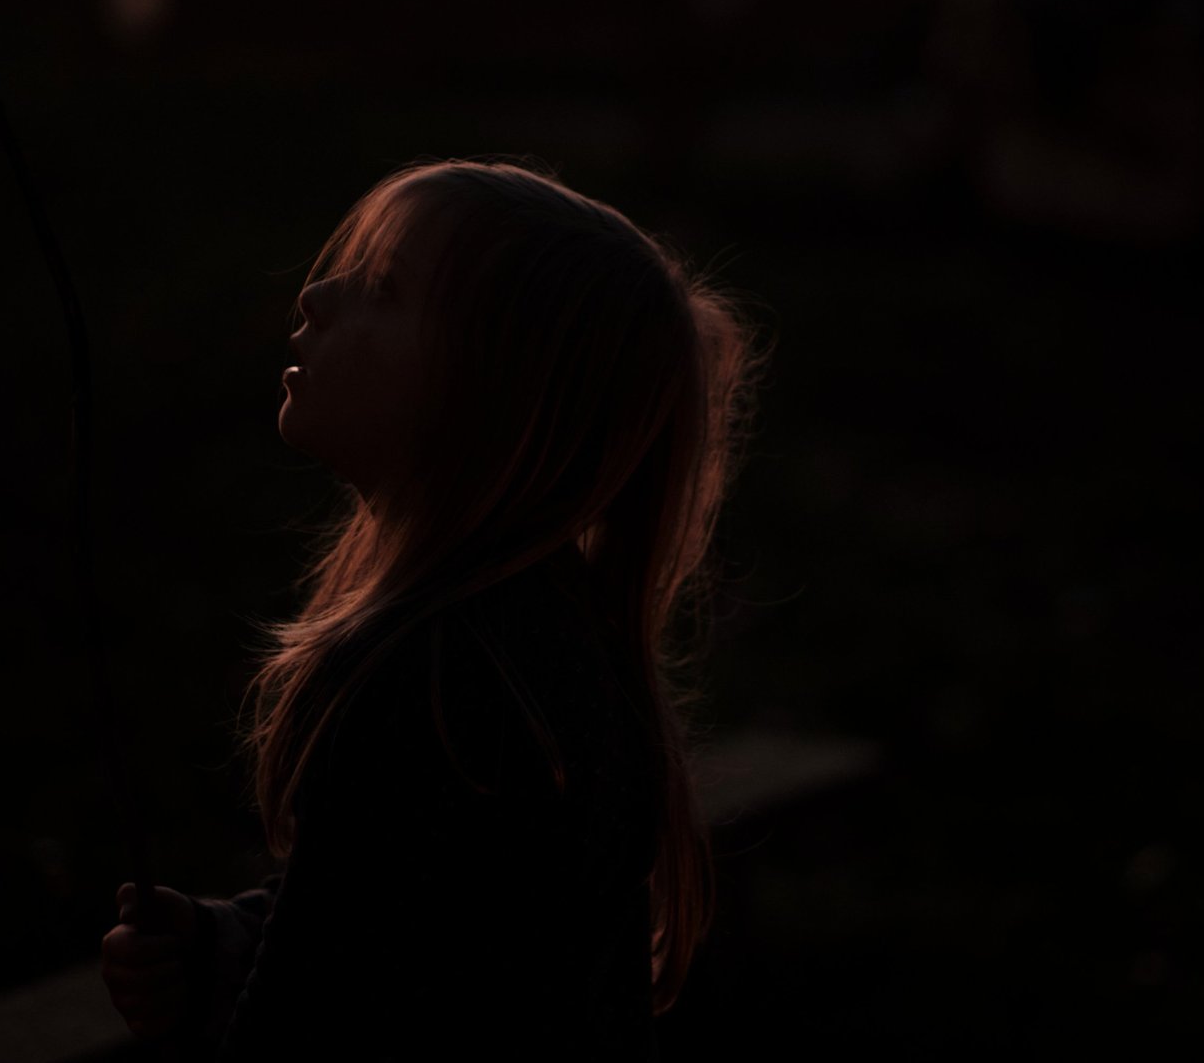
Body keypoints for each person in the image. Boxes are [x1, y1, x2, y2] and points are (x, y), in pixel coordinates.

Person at [99, 158, 766, 1059]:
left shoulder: (435, 685)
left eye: (382, 289)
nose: (317, 294)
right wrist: (225, 945)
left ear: (488, 393)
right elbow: (418, 929)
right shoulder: (544, 646)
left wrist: (217, 1002)